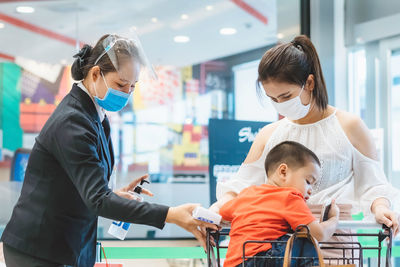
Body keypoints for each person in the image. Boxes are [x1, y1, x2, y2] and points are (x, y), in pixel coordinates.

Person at [1, 34, 217, 267]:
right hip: (40, 248)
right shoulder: (73, 121)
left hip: (65, 246)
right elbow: (98, 200)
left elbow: (89, 189)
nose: (126, 94)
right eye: (121, 84)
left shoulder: (95, 116)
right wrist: (172, 214)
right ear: (95, 74)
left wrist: (114, 195)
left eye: (132, 87)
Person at [211, 35, 399, 236]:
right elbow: (240, 187)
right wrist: (215, 210)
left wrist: (381, 208)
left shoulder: (349, 125)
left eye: (286, 96)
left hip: (335, 241)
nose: (280, 105)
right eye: (272, 99)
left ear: (309, 83)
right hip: (278, 244)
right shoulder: (269, 134)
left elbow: (373, 184)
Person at [220, 141, 339, 267]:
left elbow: (222, 213)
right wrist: (333, 219)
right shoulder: (290, 197)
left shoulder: (246, 194)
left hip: (234, 263)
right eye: (308, 181)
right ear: (283, 171)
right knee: (304, 237)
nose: (310, 190)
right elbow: (319, 234)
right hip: (263, 261)